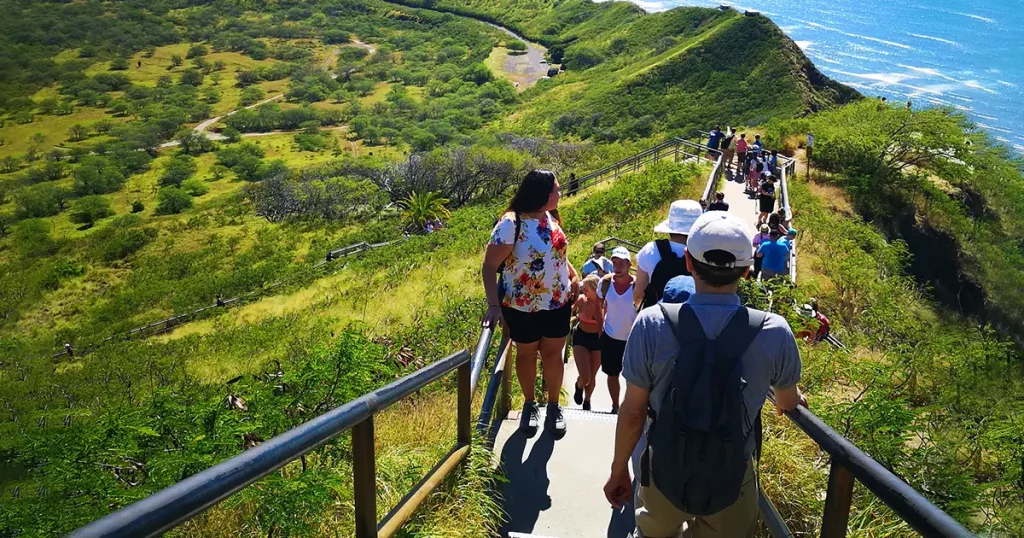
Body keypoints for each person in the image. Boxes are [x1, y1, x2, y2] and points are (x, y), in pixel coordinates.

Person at [604, 211, 803, 538]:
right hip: (732, 477)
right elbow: (787, 401)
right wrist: (793, 398)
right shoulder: (774, 331)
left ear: (688, 262)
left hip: (662, 471)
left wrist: (619, 471)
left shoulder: (652, 323)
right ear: (748, 269)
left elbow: (633, 411)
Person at [482, 169, 579, 437]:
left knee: (553, 355)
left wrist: (573, 275)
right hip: (522, 305)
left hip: (558, 302)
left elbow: (557, 253)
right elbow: (490, 266)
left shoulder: (550, 216)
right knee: (526, 355)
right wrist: (493, 305)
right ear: (543, 194)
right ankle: (529, 404)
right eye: (556, 190)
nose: (560, 193)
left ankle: (553, 406)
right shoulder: (511, 223)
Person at [634, 200, 703, 309]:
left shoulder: (651, 250)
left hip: (658, 317)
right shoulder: (703, 252)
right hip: (695, 319)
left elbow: (639, 294)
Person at [597, 247, 635, 414]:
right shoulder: (605, 283)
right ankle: (615, 406)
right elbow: (597, 304)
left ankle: (629, 406)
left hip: (633, 338)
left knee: (633, 377)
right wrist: (600, 330)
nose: (617, 267)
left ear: (629, 264)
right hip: (611, 336)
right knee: (612, 374)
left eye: (621, 263)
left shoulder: (638, 285)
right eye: (615, 263)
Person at [572, 275, 604, 411]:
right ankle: (579, 385)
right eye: (582, 289)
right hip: (581, 336)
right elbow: (570, 311)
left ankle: (587, 400)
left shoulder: (604, 303)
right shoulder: (581, 300)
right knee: (586, 377)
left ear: (595, 290)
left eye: (586, 290)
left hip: (597, 339)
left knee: (592, 374)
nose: (583, 292)